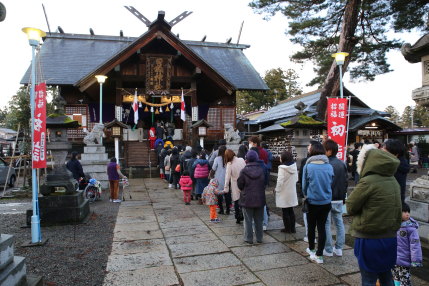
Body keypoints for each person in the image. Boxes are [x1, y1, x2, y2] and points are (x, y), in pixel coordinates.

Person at [346, 144, 402, 285]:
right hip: (389, 237)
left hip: (369, 238)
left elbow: (350, 207)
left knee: (368, 279)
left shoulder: (368, 181)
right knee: (386, 276)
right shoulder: (393, 181)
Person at [302, 141, 333, 264]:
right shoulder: (329, 166)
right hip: (326, 201)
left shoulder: (308, 166)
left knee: (311, 226)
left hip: (312, 201)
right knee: (322, 227)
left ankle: (311, 249)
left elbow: (304, 185)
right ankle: (320, 255)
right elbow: (331, 182)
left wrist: (306, 194)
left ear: (312, 151)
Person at [322, 139, 348, 257]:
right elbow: (346, 182)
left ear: (329, 151)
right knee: (339, 222)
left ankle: (328, 249)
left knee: (326, 223)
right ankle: (339, 248)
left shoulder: (325, 164)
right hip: (339, 197)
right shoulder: (342, 163)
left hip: (327, 198)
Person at [237, 150, 266, 244]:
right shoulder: (262, 170)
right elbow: (265, 183)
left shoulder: (243, 171)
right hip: (260, 198)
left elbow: (240, 185)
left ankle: (248, 238)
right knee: (259, 220)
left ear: (247, 159)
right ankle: (259, 238)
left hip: (247, 198)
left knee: (248, 220)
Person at [392, 203, 423, 286]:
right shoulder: (394, 226)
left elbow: (415, 246)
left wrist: (415, 260)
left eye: (408, 212)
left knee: (405, 280)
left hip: (405, 260)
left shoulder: (411, 229)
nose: (407, 214)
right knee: (395, 277)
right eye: (404, 212)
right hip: (394, 259)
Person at [275, 150, 298, 233]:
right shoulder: (294, 167)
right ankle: (293, 228)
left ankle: (287, 228)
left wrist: (277, 190)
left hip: (284, 192)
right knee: (291, 210)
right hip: (291, 191)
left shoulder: (282, 168)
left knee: (285, 211)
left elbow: (280, 181)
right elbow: (296, 179)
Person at [223, 149, 246, 224]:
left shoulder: (230, 164)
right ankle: (244, 214)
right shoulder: (241, 159)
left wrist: (226, 188)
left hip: (235, 183)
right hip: (244, 182)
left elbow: (227, 177)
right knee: (244, 199)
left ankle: (238, 217)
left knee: (236, 201)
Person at [213, 146, 229, 214]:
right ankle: (228, 209)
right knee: (227, 194)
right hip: (227, 178)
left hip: (218, 179)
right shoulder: (228, 158)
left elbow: (213, 168)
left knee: (219, 195)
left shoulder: (217, 159)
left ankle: (221, 210)